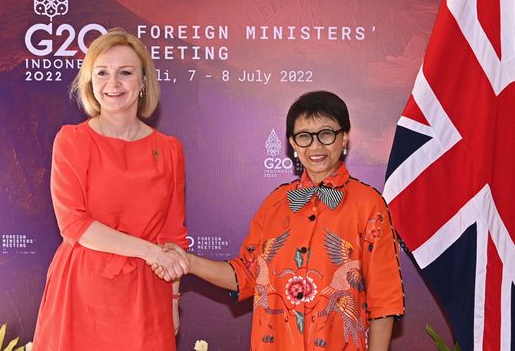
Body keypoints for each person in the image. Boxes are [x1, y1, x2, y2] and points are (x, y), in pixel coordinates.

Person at [159, 91, 404, 350]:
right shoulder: (275, 203)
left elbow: (384, 299)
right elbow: (246, 274)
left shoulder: (369, 204)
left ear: (344, 138)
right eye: (304, 137)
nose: (316, 146)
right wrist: (189, 262)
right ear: (293, 144)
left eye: (326, 134)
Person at [33, 28, 189, 350]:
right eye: (102, 73)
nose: (113, 83)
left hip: (148, 291)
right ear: (90, 82)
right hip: (82, 289)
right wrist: (147, 250)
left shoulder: (169, 149)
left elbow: (173, 233)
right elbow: (74, 225)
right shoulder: (72, 141)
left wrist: (173, 299)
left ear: (143, 82)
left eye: (125, 73)